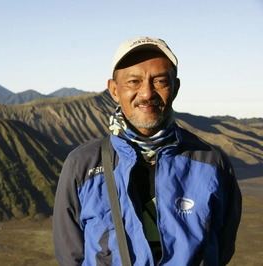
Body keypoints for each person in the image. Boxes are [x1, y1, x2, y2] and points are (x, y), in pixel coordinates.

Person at [53, 36, 242, 265]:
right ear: (114, 90)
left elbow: (222, 247)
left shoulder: (213, 165)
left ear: (176, 87)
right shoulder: (82, 166)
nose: (146, 93)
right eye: (133, 81)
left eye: (160, 81)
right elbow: (70, 254)